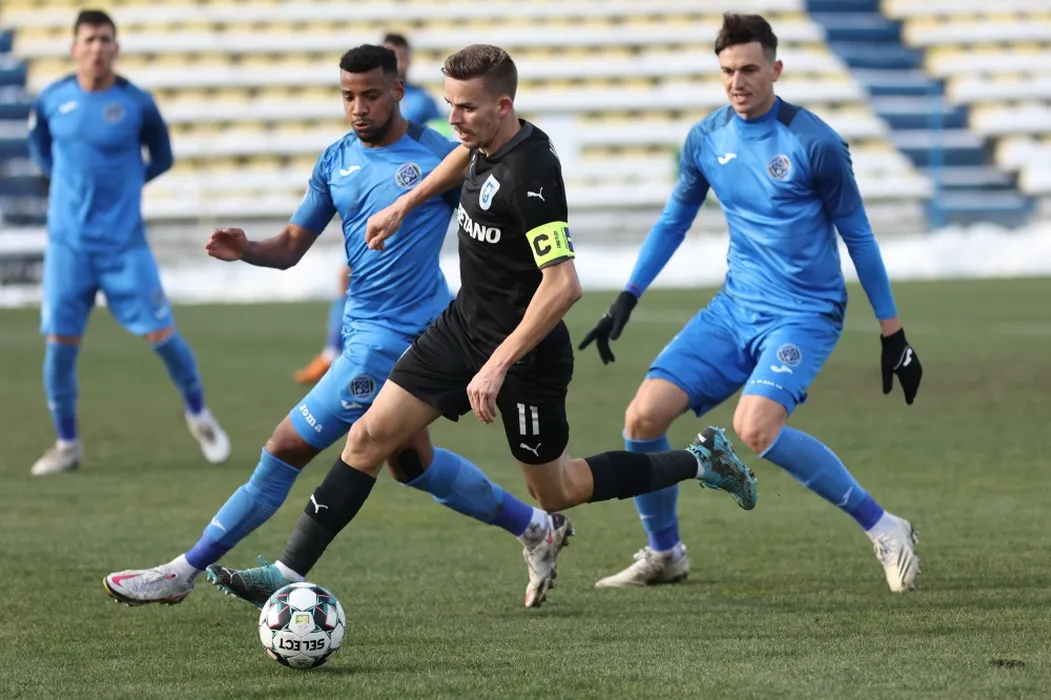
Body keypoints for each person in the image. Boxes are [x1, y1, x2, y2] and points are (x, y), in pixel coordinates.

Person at [207, 43, 759, 611]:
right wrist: (405, 204)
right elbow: (460, 158)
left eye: (466, 108)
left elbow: (563, 285)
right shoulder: (482, 138)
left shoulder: (531, 174)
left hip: (526, 355)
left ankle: (702, 460)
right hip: (461, 329)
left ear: (503, 106)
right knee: (367, 438)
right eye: (449, 104)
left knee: (557, 489)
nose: (453, 118)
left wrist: (497, 366)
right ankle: (285, 571)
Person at [101, 44, 586, 608]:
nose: (358, 107)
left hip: (401, 337)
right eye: (348, 96)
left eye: (371, 95)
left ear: (398, 92)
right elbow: (290, 248)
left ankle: (183, 571)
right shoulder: (335, 159)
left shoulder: (445, 152)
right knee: (412, 463)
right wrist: (248, 248)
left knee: (285, 447)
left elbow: (506, 212)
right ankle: (536, 526)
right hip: (363, 328)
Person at [578, 13, 924, 593]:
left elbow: (859, 238)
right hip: (735, 308)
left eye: (749, 69)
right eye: (727, 71)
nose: (737, 82)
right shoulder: (706, 139)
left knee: (754, 427)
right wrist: (627, 298)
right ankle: (665, 554)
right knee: (641, 418)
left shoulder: (815, 142)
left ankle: (885, 527)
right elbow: (673, 221)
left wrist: (894, 333)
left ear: (775, 69)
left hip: (804, 314)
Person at [26, 9, 229, 476]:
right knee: (59, 346)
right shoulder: (52, 99)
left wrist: (129, 182)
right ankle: (67, 444)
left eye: (105, 39)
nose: (97, 48)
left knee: (163, 335)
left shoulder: (136, 103)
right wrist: (64, 182)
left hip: (124, 246)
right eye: (89, 39)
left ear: (116, 48)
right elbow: (40, 147)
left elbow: (163, 156)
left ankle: (199, 414)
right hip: (68, 247)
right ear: (74, 48)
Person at [293, 31, 443, 385]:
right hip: (370, 206)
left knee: (410, 282)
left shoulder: (423, 102)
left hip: (409, 207)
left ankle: (343, 353)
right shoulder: (358, 117)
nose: (359, 106)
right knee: (349, 276)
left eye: (401, 56)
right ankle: (333, 352)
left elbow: (440, 142)